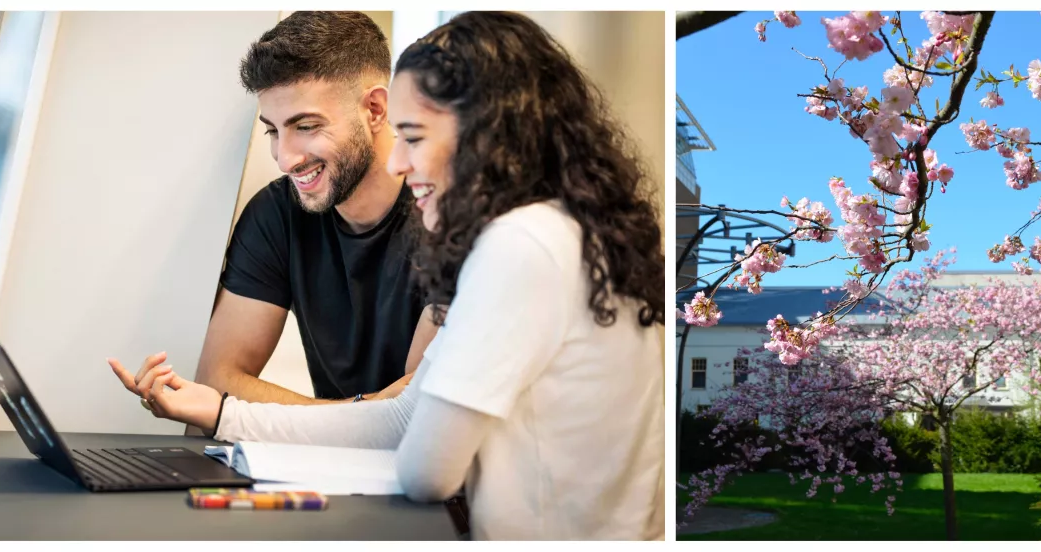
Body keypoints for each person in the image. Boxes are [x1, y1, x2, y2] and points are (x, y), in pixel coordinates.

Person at [111, 11, 665, 540]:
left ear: (490, 134)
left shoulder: (518, 245)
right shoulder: (567, 234)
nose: (398, 161)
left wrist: (237, 414)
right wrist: (223, 411)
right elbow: (404, 418)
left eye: (415, 137)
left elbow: (425, 466)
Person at [111, 12, 436, 408]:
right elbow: (217, 380)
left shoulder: (445, 216)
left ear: (374, 109)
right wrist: (359, 413)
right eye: (273, 130)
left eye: (305, 126)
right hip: (327, 462)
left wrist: (361, 418)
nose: (285, 159)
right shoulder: (276, 214)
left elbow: (417, 413)